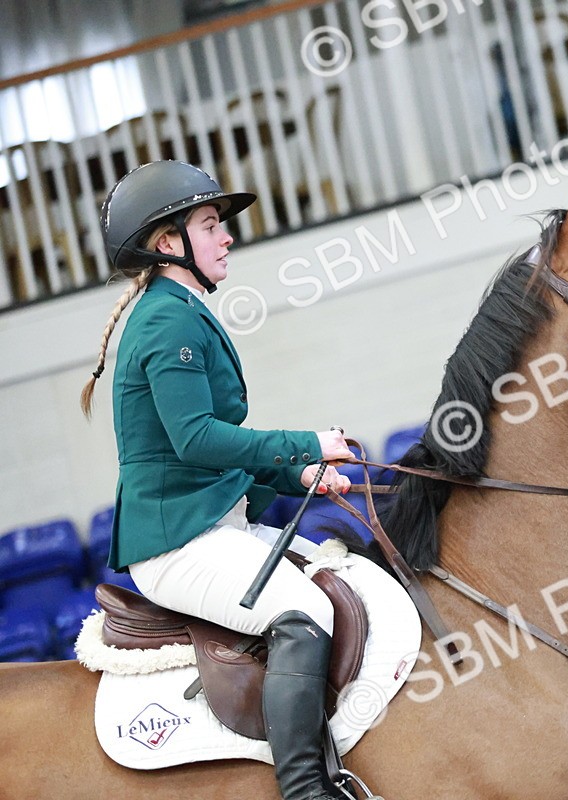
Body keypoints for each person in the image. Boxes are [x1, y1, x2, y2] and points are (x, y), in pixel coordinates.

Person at [80, 160, 353, 800]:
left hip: (211, 524)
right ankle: (305, 788)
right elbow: (196, 439)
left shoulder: (177, 310)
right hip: (178, 542)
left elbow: (214, 451)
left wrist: (302, 471)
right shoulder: (166, 319)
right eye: (210, 225)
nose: (227, 237)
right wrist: (307, 441)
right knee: (304, 609)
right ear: (168, 243)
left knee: (333, 579)